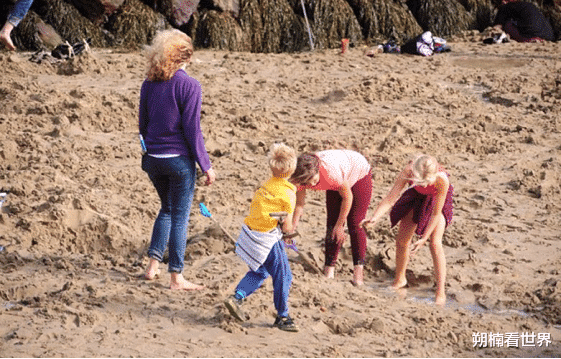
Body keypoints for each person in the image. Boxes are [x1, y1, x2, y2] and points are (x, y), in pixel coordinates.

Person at [139, 29, 216, 290]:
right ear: (187, 58)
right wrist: (206, 165)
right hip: (178, 161)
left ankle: (152, 266)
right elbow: (192, 130)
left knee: (167, 209)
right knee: (180, 216)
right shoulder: (190, 85)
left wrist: (148, 152)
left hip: (153, 159)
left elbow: (143, 124)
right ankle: (176, 276)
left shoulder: (148, 83)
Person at [224, 143, 299, 332]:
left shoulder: (266, 185)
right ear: (292, 168)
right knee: (283, 275)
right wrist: (289, 235)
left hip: (251, 234)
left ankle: (237, 297)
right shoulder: (288, 192)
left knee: (260, 271)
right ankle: (282, 316)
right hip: (267, 239)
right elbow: (288, 224)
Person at [361, 154, 453, 306]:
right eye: (420, 180)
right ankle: (400, 280)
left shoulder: (442, 179)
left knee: (435, 243)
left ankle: (440, 292)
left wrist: (424, 238)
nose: (423, 184)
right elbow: (390, 198)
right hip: (415, 195)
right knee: (402, 240)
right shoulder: (408, 171)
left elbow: (436, 214)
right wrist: (375, 217)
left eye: (425, 181)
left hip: (435, 200)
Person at [289, 149, 372, 285]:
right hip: (336, 179)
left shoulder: (330, 174)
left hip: (358, 172)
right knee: (331, 224)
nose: (311, 185)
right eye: (306, 183)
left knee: (355, 222)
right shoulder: (300, 178)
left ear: (318, 171)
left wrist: (340, 226)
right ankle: (329, 271)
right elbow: (299, 204)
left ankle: (358, 276)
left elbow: (347, 197)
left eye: (313, 181)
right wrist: (292, 228)